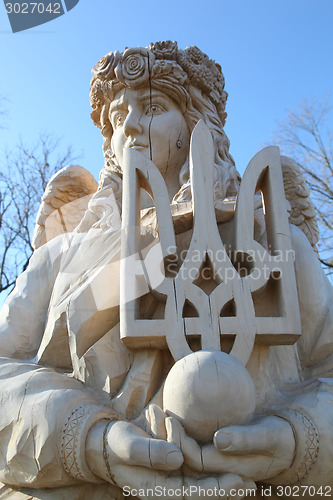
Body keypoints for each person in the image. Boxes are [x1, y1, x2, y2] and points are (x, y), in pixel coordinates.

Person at [0, 41, 332, 500]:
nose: (130, 126)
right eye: (117, 119)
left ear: (198, 123)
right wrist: (88, 441)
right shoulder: (61, 258)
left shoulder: (274, 244)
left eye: (152, 107)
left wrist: (300, 441)